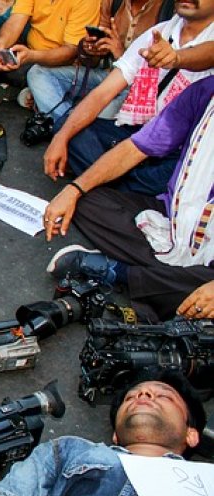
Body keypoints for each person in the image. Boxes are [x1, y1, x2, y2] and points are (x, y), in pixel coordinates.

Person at [43, 75, 214, 322]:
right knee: (86, 201)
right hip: (176, 214)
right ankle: (171, 284)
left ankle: (118, 271)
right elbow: (137, 147)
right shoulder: (205, 91)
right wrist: (74, 190)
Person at [43, 0, 214, 196]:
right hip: (136, 134)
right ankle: (116, 188)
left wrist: (177, 57)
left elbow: (209, 53)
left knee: (178, 175)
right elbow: (102, 93)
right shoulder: (159, 33)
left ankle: (104, 185)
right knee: (67, 128)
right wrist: (60, 138)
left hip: (181, 150)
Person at [0, 370, 207, 496]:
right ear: (116, 436)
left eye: (164, 396)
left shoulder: (208, 481)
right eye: (131, 397)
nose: (144, 393)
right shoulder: (67, 451)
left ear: (191, 435)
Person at [27, 0, 173, 123]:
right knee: (37, 73)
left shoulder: (167, 9)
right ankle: (71, 125)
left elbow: (165, 71)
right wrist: (90, 49)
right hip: (106, 75)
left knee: (101, 113)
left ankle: (66, 123)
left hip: (138, 88)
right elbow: (94, 61)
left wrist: (121, 55)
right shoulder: (113, 2)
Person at [0, 0, 101, 105]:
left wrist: (31, 56)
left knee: (27, 72)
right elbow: (15, 20)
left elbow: (70, 53)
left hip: (55, 62)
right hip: (30, 48)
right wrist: (1, 44)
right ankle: (24, 91)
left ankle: (15, 90)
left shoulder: (87, 2)